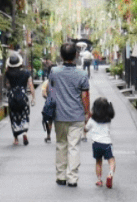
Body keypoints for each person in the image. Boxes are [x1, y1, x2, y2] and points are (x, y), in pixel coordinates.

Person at [49, 42, 90, 187]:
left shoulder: (54, 71)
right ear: (76, 55)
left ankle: (60, 176)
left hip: (59, 115)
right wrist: (87, 113)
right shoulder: (82, 74)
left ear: (61, 56)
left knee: (61, 144)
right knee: (74, 146)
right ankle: (72, 178)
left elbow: (51, 91)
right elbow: (85, 96)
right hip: (77, 115)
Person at [5, 53, 35, 145]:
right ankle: (25, 132)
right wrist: (33, 98)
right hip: (23, 96)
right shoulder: (26, 73)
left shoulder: (8, 74)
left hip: (13, 96)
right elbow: (31, 85)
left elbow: (7, 85)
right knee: (24, 114)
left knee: (14, 116)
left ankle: (16, 138)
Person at [85, 97, 116, 189]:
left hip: (96, 144)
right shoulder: (108, 119)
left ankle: (99, 180)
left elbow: (85, 129)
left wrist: (86, 122)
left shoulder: (92, 120)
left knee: (98, 162)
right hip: (106, 144)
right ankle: (110, 174)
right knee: (111, 161)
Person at [41, 78, 53, 143]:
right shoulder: (61, 81)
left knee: (48, 120)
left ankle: (48, 136)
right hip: (59, 103)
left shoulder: (46, 82)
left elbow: (43, 94)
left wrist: (48, 98)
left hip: (50, 103)